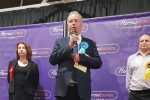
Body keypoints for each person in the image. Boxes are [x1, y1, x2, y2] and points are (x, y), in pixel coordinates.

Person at [49, 11, 102, 100]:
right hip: (63, 90)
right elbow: (52, 60)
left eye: (76, 21)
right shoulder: (59, 42)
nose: (73, 23)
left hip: (82, 90)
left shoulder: (90, 43)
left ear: (81, 25)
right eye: (70, 21)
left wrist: (81, 58)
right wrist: (68, 46)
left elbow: (98, 63)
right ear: (67, 26)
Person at [126, 33, 150, 100]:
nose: (144, 43)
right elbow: (128, 76)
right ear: (139, 43)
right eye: (142, 41)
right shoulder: (131, 58)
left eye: (146, 40)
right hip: (134, 94)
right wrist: (131, 90)